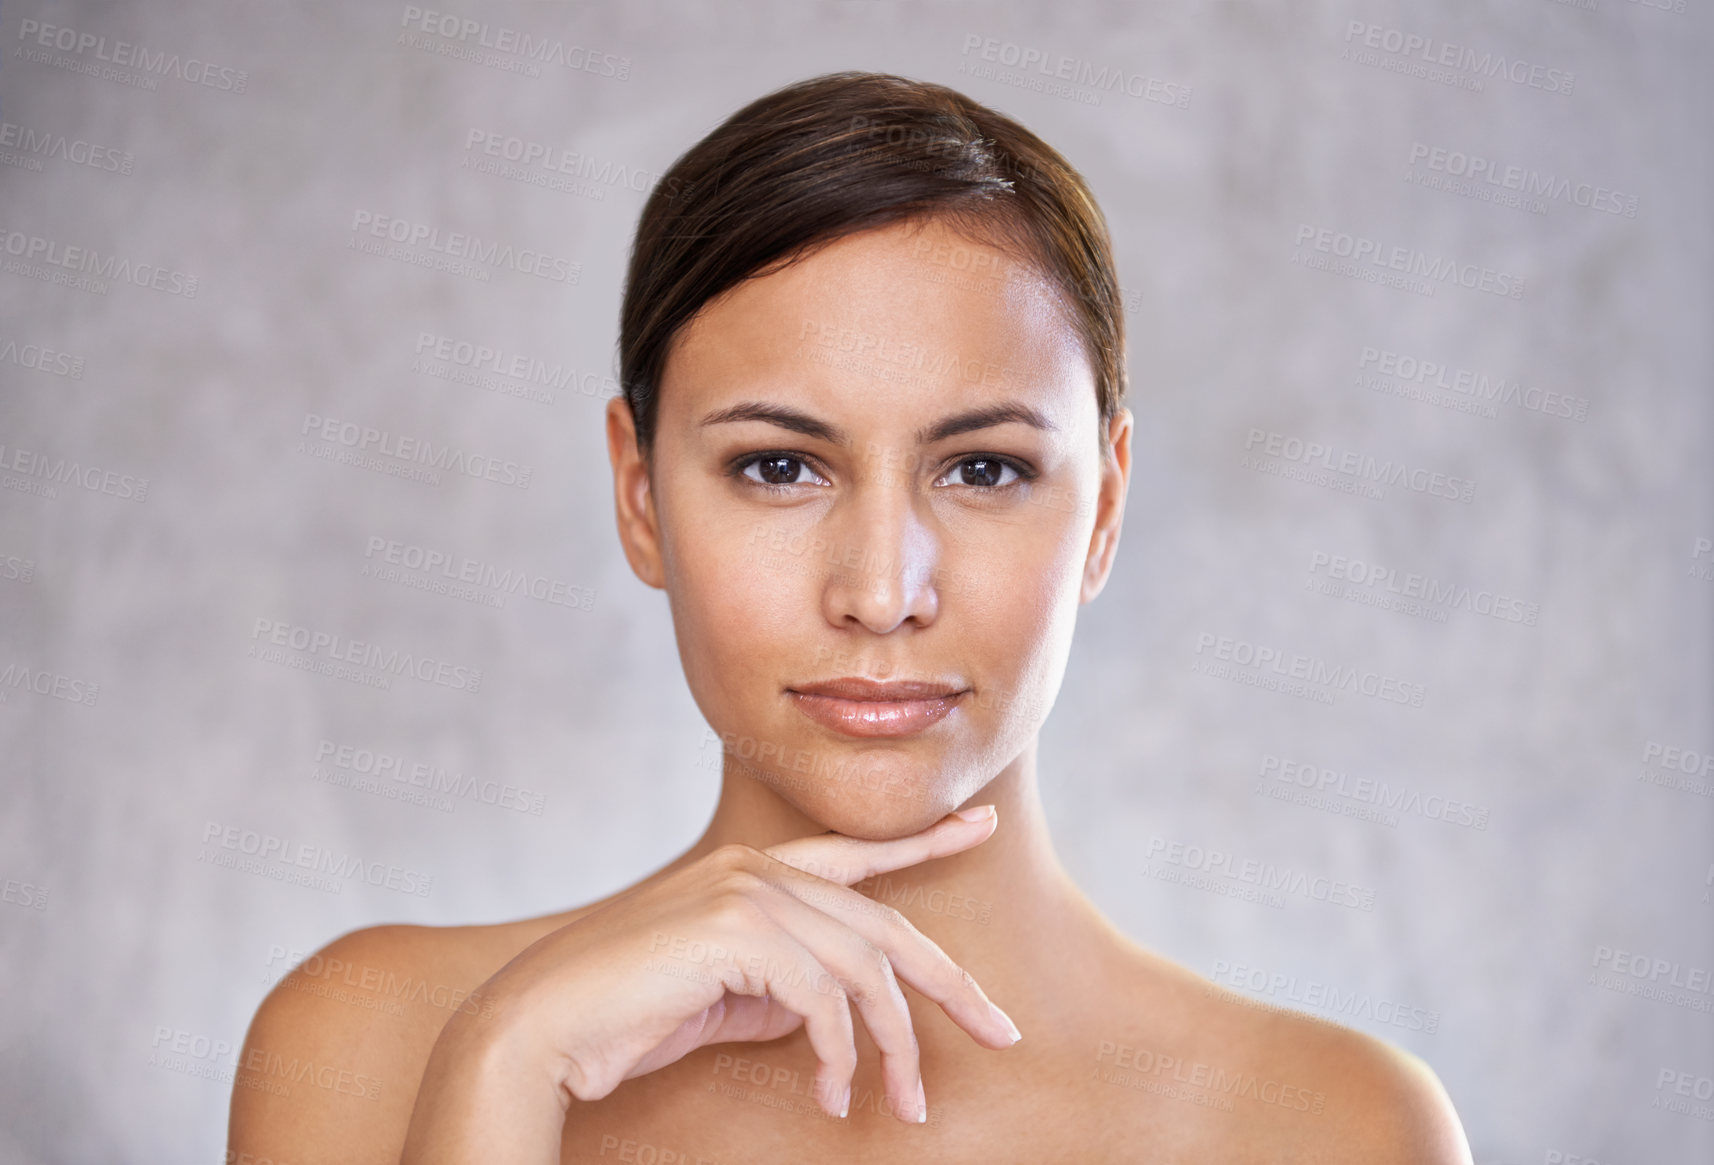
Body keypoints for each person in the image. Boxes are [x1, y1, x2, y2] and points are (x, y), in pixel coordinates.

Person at [229, 71, 1472, 1164]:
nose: (881, 593)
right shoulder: (377, 1043)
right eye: (779, 466)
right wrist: (502, 1069)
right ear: (639, 493)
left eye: (983, 469)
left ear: (1104, 508)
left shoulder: (1334, 1130)